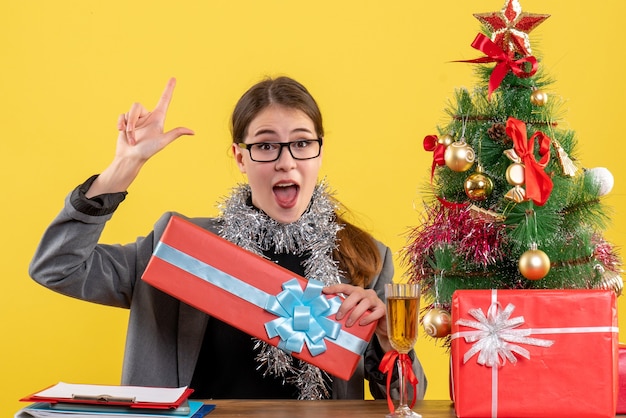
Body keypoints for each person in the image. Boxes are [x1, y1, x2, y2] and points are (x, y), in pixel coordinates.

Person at [29, 77, 427, 400]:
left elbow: (408, 400)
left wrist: (390, 338)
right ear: (240, 157)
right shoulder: (177, 248)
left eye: (302, 143)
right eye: (266, 145)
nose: (286, 161)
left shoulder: (365, 258)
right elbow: (58, 267)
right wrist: (122, 169)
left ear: (319, 153)